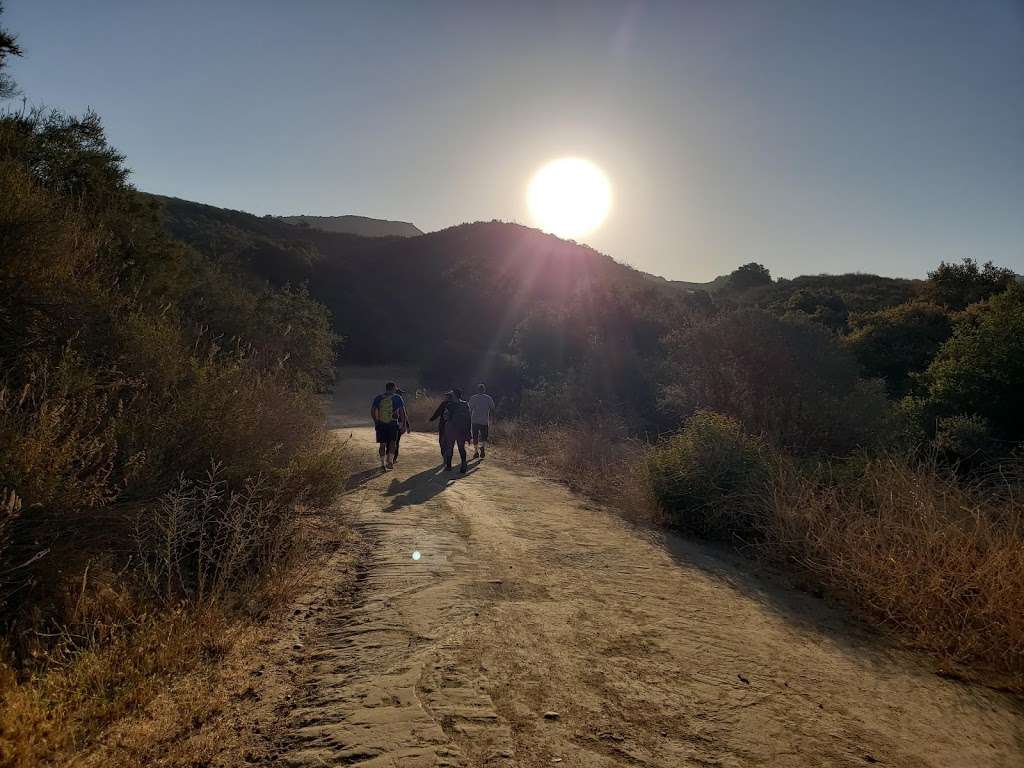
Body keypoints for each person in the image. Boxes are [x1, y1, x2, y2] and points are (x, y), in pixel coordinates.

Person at [370, 382, 406, 470]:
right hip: (393, 423)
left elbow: (372, 410)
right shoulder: (397, 398)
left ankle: (382, 464)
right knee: (393, 443)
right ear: (393, 388)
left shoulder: (378, 398)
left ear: (386, 388)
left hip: (381, 424)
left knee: (382, 444)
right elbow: (402, 412)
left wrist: (376, 421)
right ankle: (390, 462)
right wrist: (403, 424)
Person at [441, 388, 472, 473]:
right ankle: (463, 464)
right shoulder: (465, 404)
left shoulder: (449, 405)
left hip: (451, 429)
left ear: (454, 395)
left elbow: (445, 417)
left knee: (450, 447)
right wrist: (469, 431)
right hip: (462, 429)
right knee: (461, 447)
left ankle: (448, 465)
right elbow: (469, 418)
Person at [468, 383, 496, 459]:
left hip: (475, 421)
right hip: (484, 421)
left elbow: (469, 410)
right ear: (484, 390)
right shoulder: (488, 398)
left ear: (477, 390)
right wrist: (493, 419)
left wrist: (467, 419)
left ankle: (476, 452)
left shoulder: (473, 398)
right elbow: (493, 409)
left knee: (475, 437)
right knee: (484, 437)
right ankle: (482, 447)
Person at [428, 391, 453, 464]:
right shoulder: (454, 404)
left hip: (443, 425)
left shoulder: (444, 404)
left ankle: (445, 456)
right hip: (451, 426)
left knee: (442, 442)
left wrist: (431, 419)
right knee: (448, 442)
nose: (446, 397)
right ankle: (447, 457)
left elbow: (438, 412)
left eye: (447, 396)